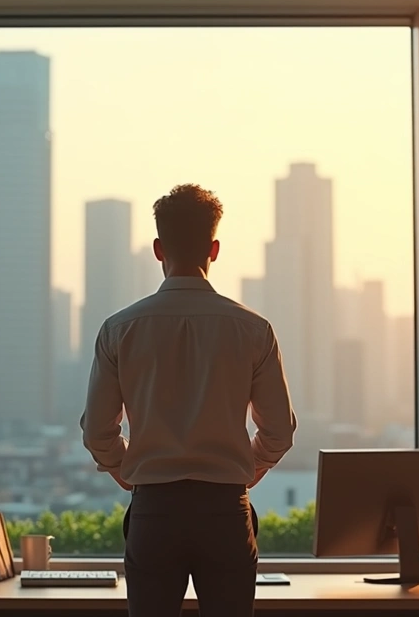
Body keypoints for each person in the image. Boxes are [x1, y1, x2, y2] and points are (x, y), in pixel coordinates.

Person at [80, 183, 297, 617]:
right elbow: (278, 431)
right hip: (225, 511)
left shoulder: (119, 329)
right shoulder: (253, 329)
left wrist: (130, 472)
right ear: (214, 249)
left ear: (158, 249)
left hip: (154, 511)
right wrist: (246, 470)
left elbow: (98, 432)